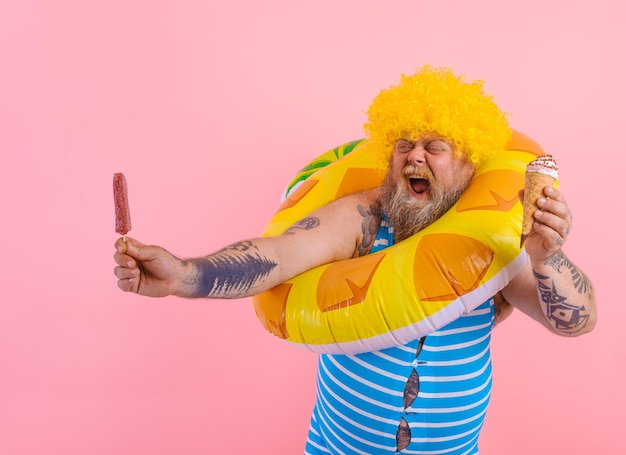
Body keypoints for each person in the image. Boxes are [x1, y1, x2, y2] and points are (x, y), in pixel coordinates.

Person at [113, 66, 596, 454]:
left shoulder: (495, 237)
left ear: (470, 163)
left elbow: (576, 322)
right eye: (403, 144)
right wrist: (185, 275)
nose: (415, 156)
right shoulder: (364, 218)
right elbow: (278, 256)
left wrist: (548, 258)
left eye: (435, 146)